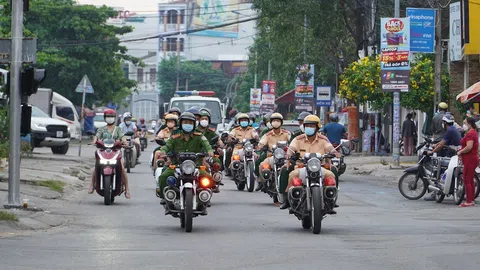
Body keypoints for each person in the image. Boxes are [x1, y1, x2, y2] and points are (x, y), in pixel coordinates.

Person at [280, 115, 341, 210]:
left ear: (317, 127)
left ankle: (330, 198)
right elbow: (291, 148)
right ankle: (287, 199)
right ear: (304, 127)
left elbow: (329, 147)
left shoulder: (323, 139)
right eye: (307, 126)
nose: (309, 128)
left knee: (332, 173)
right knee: (291, 174)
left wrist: (335, 152)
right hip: (301, 166)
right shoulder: (298, 139)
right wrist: (288, 154)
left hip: (320, 166)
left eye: (312, 126)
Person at [156, 112, 214, 209]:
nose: (188, 125)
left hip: (196, 166)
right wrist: (163, 152)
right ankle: (164, 198)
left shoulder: (199, 136)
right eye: (186, 122)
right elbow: (167, 145)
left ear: (194, 124)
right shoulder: (175, 136)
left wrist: (210, 151)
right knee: (163, 177)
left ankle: (204, 198)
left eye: (190, 123)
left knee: (208, 177)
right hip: (177, 165)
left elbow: (206, 144)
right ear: (181, 123)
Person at [88, 109, 131, 199]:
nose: (109, 118)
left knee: (122, 169)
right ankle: (92, 185)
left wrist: (125, 142)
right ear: (105, 118)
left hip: (116, 152)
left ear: (114, 118)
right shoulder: (101, 129)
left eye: (111, 116)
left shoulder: (118, 129)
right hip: (103, 152)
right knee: (96, 167)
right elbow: (96, 137)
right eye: (108, 116)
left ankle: (127, 190)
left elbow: (123, 137)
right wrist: (94, 141)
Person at [425, 114, 462, 201]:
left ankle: (437, 190)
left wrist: (432, 151)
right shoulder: (452, 129)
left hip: (453, 153)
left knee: (440, 167)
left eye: (443, 122)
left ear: (445, 122)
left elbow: (441, 144)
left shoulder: (449, 130)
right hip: (455, 152)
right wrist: (435, 145)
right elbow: (443, 141)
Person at [256, 113, 291, 191]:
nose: (276, 122)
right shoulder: (267, 134)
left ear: (281, 122)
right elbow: (261, 143)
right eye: (274, 120)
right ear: (271, 122)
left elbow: (292, 142)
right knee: (262, 165)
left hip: (285, 156)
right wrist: (260, 147)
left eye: (278, 120)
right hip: (271, 156)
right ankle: (262, 182)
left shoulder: (286, 133)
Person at [457, 117, 479, 207]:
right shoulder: (472, 133)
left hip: (470, 158)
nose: (464, 125)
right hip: (471, 158)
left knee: (467, 178)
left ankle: (469, 201)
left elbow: (469, 147)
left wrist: (460, 151)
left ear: (469, 124)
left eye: (465, 123)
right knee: (470, 179)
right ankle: (471, 199)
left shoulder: (470, 134)